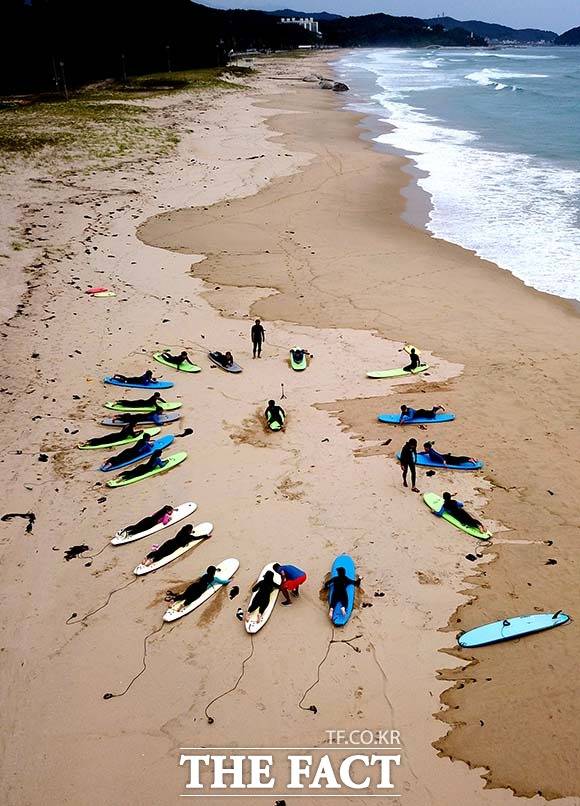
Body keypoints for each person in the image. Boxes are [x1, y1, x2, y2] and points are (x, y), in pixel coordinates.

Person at [143, 524, 207, 566]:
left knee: (159, 551)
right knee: (163, 554)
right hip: (173, 547)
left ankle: (147, 557)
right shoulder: (189, 537)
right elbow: (197, 538)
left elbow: (186, 531)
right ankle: (152, 560)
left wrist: (191, 532)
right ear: (189, 531)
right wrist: (205, 536)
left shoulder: (181, 531)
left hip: (169, 542)